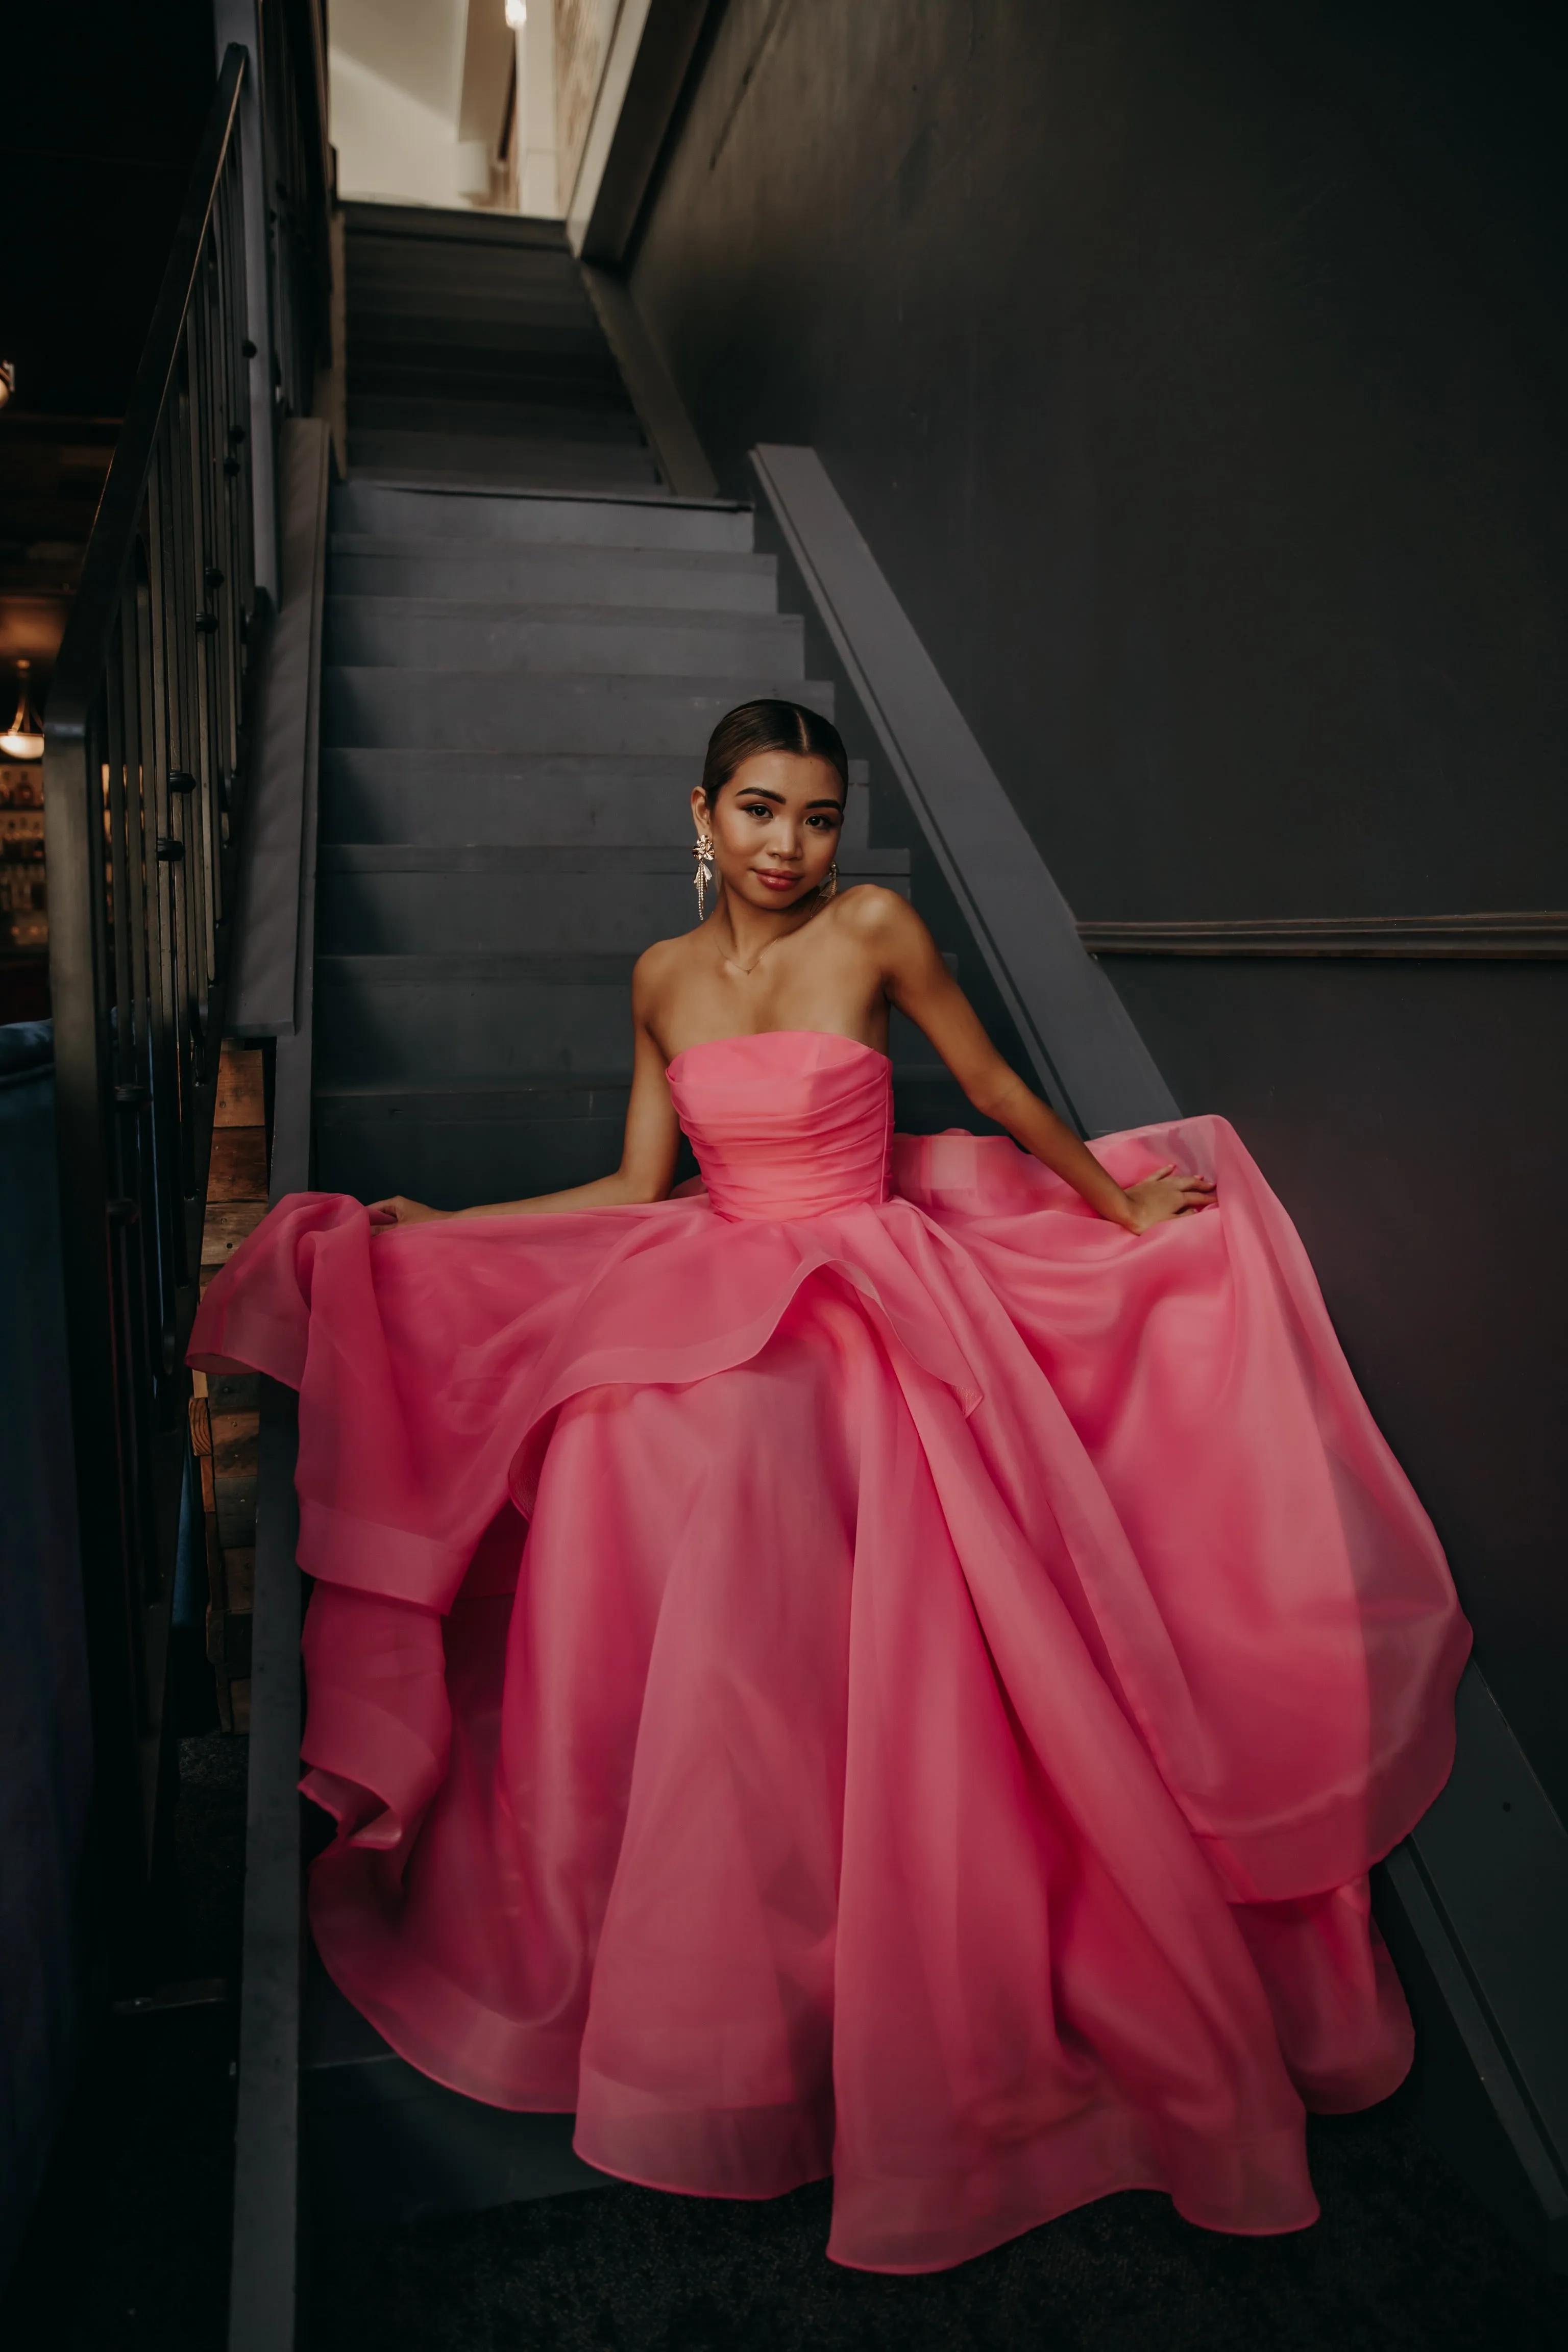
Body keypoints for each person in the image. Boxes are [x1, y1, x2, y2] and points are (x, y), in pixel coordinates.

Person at [190, 697, 1468, 2275]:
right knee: (620, 1428)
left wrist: (1122, 1208)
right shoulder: (661, 977)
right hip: (714, 1260)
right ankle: (709, 1894)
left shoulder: (874, 924)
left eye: (812, 815)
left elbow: (994, 1090)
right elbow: (634, 1187)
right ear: (701, 814)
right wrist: (438, 1228)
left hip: (864, 1279)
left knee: (735, 1433)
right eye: (757, 812)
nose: (786, 845)